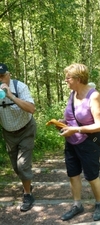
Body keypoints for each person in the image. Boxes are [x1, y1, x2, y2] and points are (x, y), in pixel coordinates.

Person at [58, 63, 100, 221]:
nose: (66, 80)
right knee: (73, 174)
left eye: (68, 78)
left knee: (92, 176)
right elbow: (71, 116)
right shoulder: (72, 94)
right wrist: (63, 122)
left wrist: (76, 130)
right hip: (71, 141)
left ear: (78, 79)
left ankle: (99, 204)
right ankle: (77, 205)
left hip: (88, 142)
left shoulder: (93, 96)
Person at [0, 63, 36, 212]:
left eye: (2, 76)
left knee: (22, 165)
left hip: (26, 129)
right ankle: (27, 182)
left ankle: (28, 194)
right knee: (16, 166)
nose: (0, 80)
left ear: (8, 75)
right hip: (8, 133)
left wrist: (10, 96)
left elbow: (31, 109)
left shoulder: (20, 87)